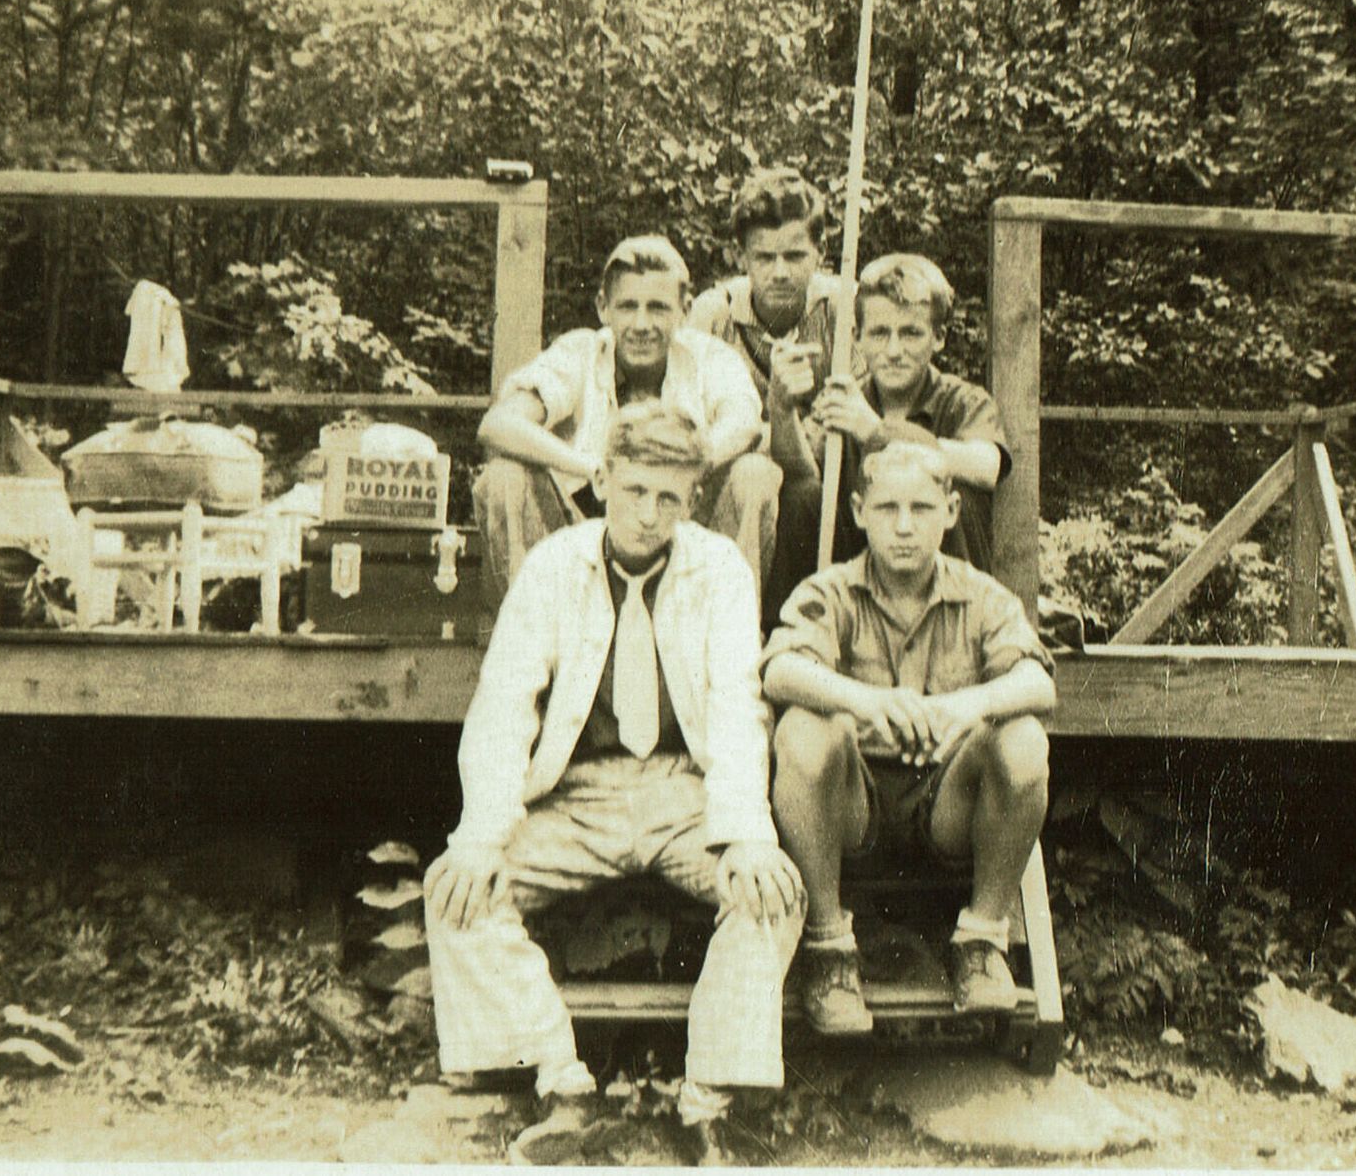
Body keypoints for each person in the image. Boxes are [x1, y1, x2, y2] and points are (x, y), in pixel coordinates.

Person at [426, 400, 805, 1164]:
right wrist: (480, 836)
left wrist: (746, 834)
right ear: (601, 480)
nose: (648, 513)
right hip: (577, 794)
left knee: (773, 893)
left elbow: (738, 706)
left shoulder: (718, 569)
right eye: (633, 491)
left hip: (682, 790)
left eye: (669, 497)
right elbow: (505, 702)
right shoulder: (554, 566)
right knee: (456, 890)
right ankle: (562, 1088)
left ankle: (708, 1099)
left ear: (693, 497)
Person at [762, 440, 1054, 1035]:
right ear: (858, 512)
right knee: (803, 731)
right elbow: (780, 670)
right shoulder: (829, 591)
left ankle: (981, 943)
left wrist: (962, 707)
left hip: (949, 805)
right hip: (853, 807)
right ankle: (829, 952)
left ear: (950, 511)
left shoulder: (983, 595)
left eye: (921, 509)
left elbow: (1038, 683)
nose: (903, 527)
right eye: (887, 508)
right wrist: (867, 702)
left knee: (1023, 739)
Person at [474, 234, 779, 610]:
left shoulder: (710, 357)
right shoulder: (580, 351)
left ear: (685, 310)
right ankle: (532, 632)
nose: (641, 324)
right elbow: (499, 423)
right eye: (628, 307)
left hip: (681, 527)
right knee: (503, 476)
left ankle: (729, 634)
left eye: (658, 308)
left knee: (755, 474)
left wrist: (675, 471)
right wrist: (594, 468)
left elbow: (744, 423)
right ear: (604, 308)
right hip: (583, 530)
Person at [686, 166, 854, 617]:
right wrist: (774, 430)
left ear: (821, 253)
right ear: (742, 257)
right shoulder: (712, 317)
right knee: (752, 475)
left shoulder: (843, 313)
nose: (780, 273)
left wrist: (775, 418)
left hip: (821, 506)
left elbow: (819, 462)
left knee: (805, 495)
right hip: (730, 498)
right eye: (764, 257)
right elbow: (693, 436)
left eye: (795, 256)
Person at [788, 252, 1010, 571]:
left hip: (942, 580)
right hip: (858, 574)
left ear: (938, 338)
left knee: (953, 492)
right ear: (857, 338)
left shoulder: (963, 401)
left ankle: (953, 603)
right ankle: (802, 605)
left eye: (910, 333)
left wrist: (876, 432)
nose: (893, 351)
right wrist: (782, 410)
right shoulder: (846, 400)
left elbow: (986, 467)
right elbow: (800, 469)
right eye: (880, 333)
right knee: (802, 497)